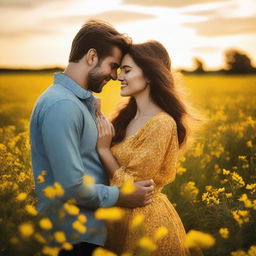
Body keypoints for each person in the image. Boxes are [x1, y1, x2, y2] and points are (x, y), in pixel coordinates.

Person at [29, 20, 155, 256]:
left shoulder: (74, 103)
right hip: (72, 240)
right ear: (92, 56)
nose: (116, 76)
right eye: (113, 66)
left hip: (84, 236)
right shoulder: (62, 105)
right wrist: (123, 196)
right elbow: (72, 187)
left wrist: (90, 106)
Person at [96, 41, 203, 255]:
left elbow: (136, 188)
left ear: (149, 75)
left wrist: (104, 151)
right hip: (117, 219)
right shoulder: (123, 117)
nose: (118, 77)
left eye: (127, 70)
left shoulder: (162, 123)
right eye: (119, 70)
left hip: (146, 224)